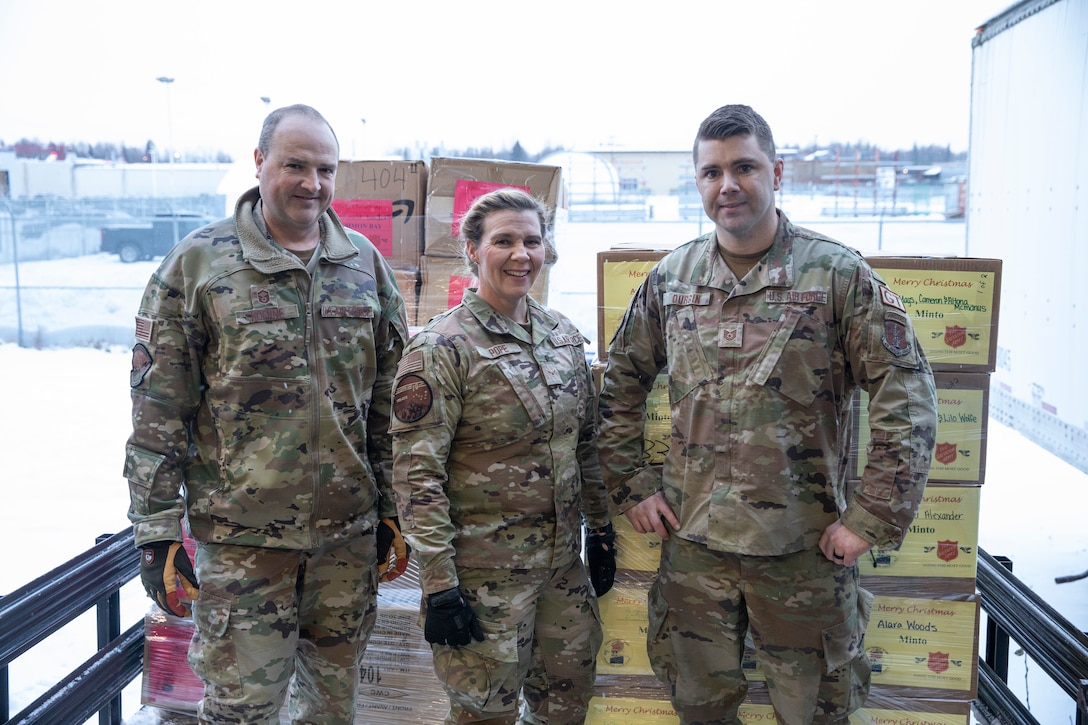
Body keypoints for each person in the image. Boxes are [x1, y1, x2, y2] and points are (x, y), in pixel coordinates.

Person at [596, 104, 938, 724]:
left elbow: (906, 399)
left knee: (815, 714)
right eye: (711, 172)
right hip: (695, 551)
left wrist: (872, 515)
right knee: (700, 710)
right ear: (698, 182)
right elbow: (618, 385)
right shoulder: (672, 280)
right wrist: (631, 486)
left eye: (745, 167)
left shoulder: (835, 275)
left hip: (805, 552)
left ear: (776, 171)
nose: (728, 185)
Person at [124, 103, 409, 724]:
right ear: (259, 163)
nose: (311, 183)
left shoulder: (364, 265)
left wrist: (393, 508)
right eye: (295, 165)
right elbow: (158, 409)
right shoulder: (199, 265)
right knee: (241, 712)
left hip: (345, 542)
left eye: (325, 169)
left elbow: (389, 403)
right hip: (244, 546)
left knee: (331, 710)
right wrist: (155, 531)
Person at [389, 187, 615, 724]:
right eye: (504, 241)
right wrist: (439, 585)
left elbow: (584, 446)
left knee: (565, 707)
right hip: (483, 580)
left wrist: (601, 530)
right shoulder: (442, 348)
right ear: (472, 250)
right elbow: (417, 475)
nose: (521, 255)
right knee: (482, 715)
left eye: (532, 241)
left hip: (562, 572)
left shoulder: (561, 337)